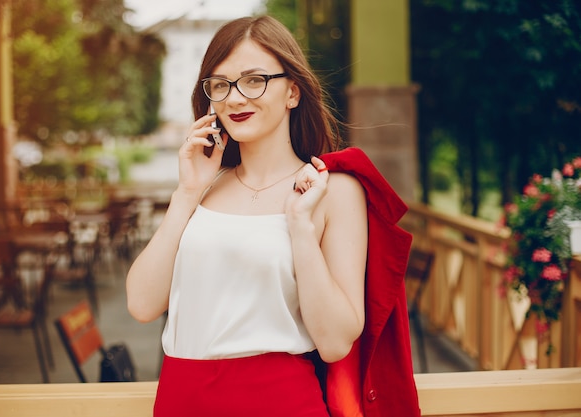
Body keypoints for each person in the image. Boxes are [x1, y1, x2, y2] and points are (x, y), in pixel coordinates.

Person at [126, 15, 420, 417]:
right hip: (182, 398)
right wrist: (187, 194)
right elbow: (142, 305)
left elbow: (335, 342)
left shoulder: (332, 191)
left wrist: (300, 229)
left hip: (278, 401)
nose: (234, 98)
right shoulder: (204, 187)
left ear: (293, 92)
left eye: (253, 80)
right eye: (220, 84)